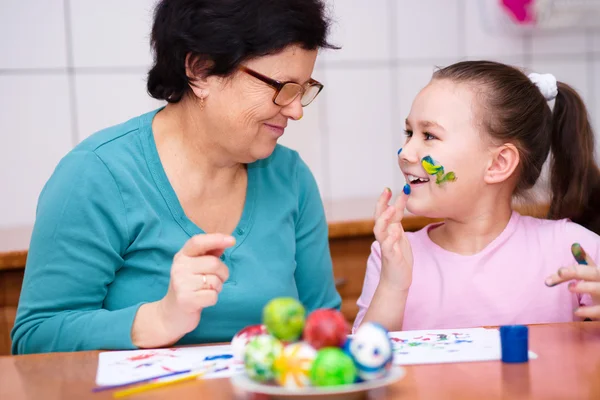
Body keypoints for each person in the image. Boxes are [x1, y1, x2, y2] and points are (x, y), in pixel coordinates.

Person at [11, 0, 341, 354]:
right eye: (282, 86)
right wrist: (158, 320)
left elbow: (324, 329)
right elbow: (35, 340)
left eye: (303, 89)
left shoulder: (290, 178)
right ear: (200, 71)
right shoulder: (96, 176)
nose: (295, 110)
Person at [354, 60, 600, 332]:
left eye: (430, 136)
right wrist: (393, 285)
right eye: (409, 133)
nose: (405, 153)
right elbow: (364, 364)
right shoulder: (393, 254)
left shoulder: (573, 249)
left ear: (498, 164)